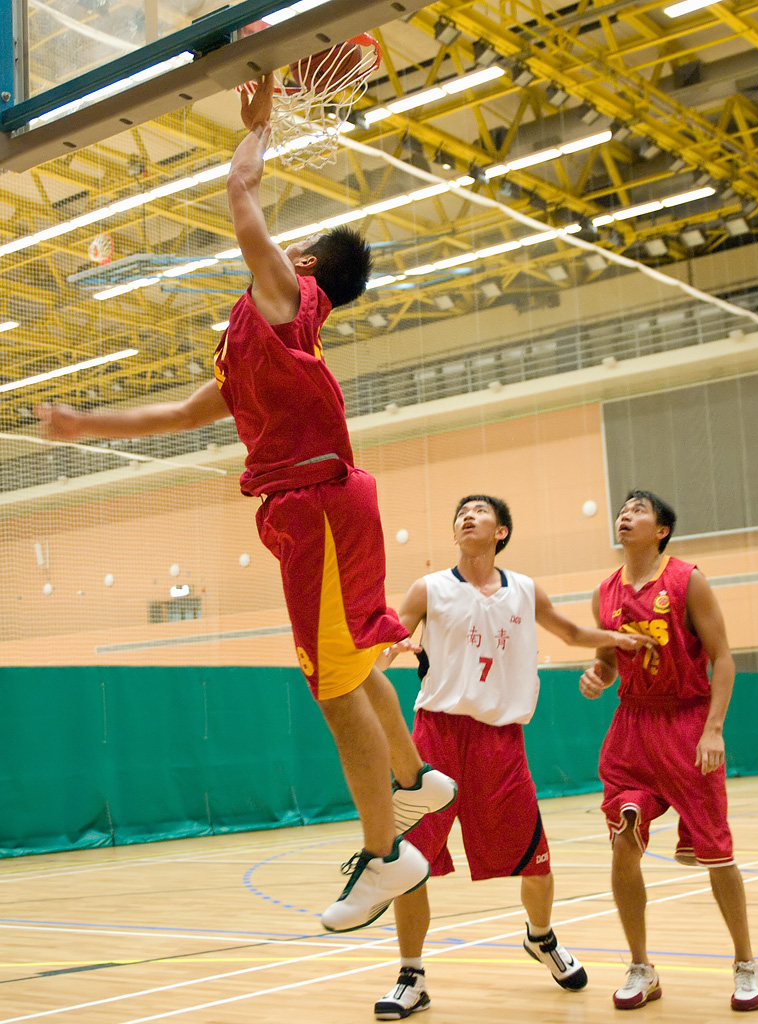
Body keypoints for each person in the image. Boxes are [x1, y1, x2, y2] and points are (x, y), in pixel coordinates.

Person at [35, 74, 456, 934]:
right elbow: (179, 416)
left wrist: (260, 127)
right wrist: (84, 424)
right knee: (351, 669)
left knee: (333, 691)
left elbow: (239, 192)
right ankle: (417, 781)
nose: (280, 245)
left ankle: (387, 854)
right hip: (316, 510)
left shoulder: (286, 298)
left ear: (307, 267)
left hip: (318, 509)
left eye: (293, 246)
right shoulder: (250, 342)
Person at [373, 494, 658, 1020]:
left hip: (500, 741)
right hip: (435, 736)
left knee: (534, 859)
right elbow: (389, 641)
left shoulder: (524, 589)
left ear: (500, 531)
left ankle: (541, 936)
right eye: (460, 513)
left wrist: (617, 638)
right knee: (411, 860)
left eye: (479, 511)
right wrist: (388, 651)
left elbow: (570, 632)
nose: (467, 516)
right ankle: (411, 976)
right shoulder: (428, 588)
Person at [579, 489, 758, 1012]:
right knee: (623, 843)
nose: (625, 515)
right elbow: (608, 661)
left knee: (717, 853)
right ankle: (641, 967)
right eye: (623, 510)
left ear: (661, 530)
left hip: (687, 723)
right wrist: (597, 676)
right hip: (631, 728)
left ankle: (746, 963)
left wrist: (714, 729)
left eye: (638, 510)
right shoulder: (604, 593)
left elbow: (723, 658)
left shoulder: (687, 581)